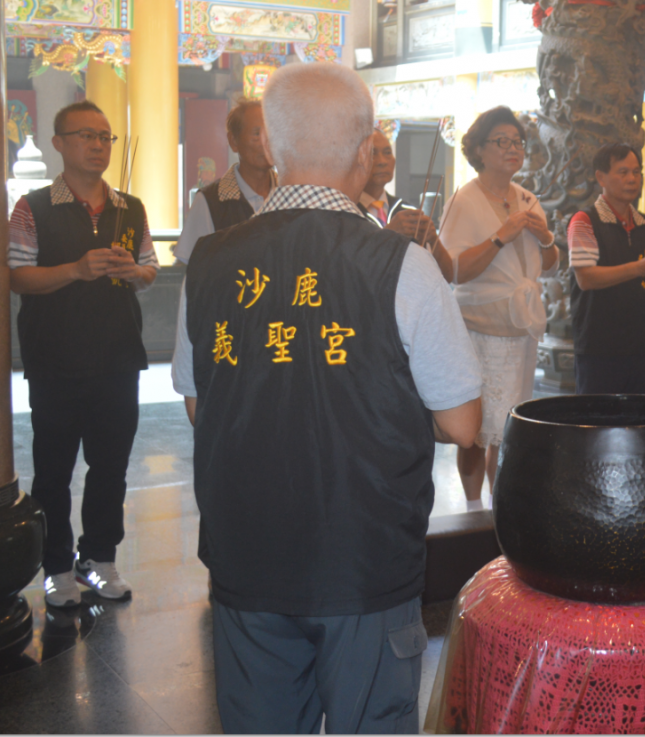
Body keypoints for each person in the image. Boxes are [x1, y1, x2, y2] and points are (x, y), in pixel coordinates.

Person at [171, 61, 482, 734]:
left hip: (246, 555)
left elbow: (199, 404)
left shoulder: (210, 262)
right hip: (363, 559)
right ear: (366, 149)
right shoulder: (400, 263)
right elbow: (462, 423)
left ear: (270, 145)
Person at [8, 100, 159, 607]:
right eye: (86, 136)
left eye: (105, 137)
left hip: (118, 358)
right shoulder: (33, 207)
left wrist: (134, 272)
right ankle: (56, 567)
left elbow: (149, 269)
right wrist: (76, 269)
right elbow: (17, 276)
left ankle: (99, 557)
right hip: (55, 360)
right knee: (53, 471)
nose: (98, 146)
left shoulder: (129, 207)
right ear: (59, 143)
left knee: (111, 468)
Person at [438, 106, 558, 508]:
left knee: (508, 425)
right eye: (501, 141)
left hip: (519, 327)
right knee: (476, 427)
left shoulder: (527, 198)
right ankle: (473, 510)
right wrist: (500, 237)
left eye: (517, 142)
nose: (513, 149)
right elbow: (456, 270)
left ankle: (500, 507)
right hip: (479, 327)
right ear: (479, 150)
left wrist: (546, 238)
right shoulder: (464, 200)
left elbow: (550, 264)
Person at [567, 143, 645, 395]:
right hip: (598, 346)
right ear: (601, 178)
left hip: (642, 344)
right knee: (598, 416)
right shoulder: (585, 221)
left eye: (637, 172)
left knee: (640, 415)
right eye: (623, 172)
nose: (632, 179)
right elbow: (586, 278)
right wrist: (638, 268)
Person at [173, 98, 275, 264]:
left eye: (271, 133)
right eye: (257, 134)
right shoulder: (211, 201)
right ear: (233, 141)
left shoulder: (289, 194)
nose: (266, 142)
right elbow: (190, 265)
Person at [360, 128, 454, 282]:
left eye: (387, 152)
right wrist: (388, 235)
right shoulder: (347, 212)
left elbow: (447, 277)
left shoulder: (408, 212)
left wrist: (432, 239)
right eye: (372, 154)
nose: (382, 161)